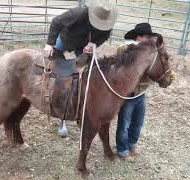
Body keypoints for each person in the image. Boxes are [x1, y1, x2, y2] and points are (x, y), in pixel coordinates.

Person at [43, 0, 118, 137]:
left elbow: (104, 36)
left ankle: (83, 107)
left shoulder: (108, 23)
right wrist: (49, 44)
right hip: (66, 39)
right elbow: (56, 22)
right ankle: (61, 114)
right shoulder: (79, 13)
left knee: (89, 74)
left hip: (84, 47)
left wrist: (93, 44)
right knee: (59, 73)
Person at [116, 23, 158, 160]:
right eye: (147, 37)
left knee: (138, 122)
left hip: (141, 93)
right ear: (139, 37)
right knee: (124, 123)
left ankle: (131, 144)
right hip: (129, 94)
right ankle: (122, 150)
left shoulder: (149, 53)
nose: (149, 40)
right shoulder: (126, 50)